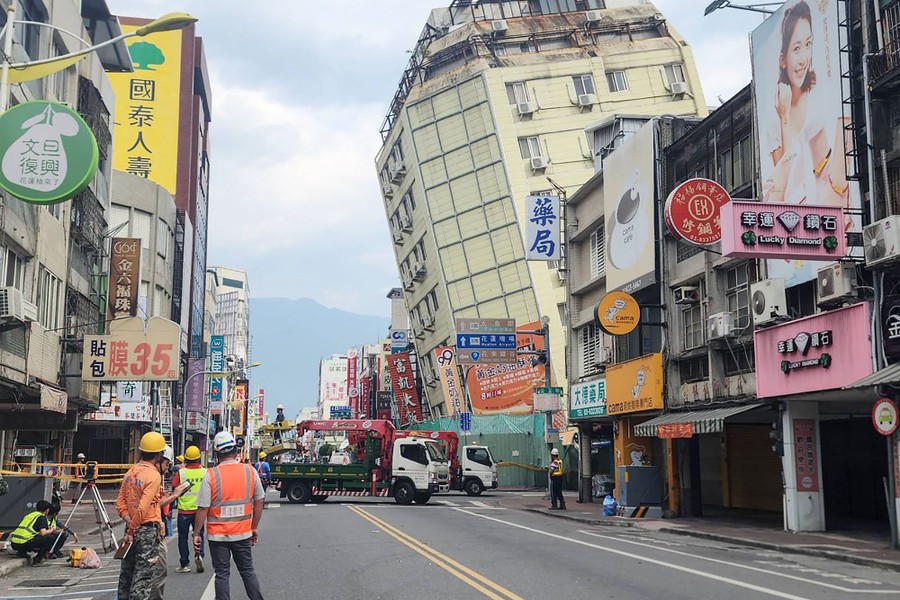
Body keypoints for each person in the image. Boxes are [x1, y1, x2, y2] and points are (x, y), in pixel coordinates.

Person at [116, 432, 190, 600]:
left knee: (126, 575)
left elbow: (120, 503)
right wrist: (133, 530)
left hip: (132, 527)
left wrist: (129, 524)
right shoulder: (153, 475)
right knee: (143, 576)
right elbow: (143, 508)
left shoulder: (131, 472)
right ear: (159, 455)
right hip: (147, 530)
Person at [194, 431, 265, 600]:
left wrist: (197, 533)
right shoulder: (250, 471)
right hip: (242, 533)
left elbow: (203, 508)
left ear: (217, 453)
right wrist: (253, 527)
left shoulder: (210, 474)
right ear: (236, 450)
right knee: (247, 571)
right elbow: (260, 501)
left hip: (218, 537)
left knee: (222, 574)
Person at [173, 445, 206, 574]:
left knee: (183, 537)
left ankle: (184, 563)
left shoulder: (181, 473)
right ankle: (199, 555)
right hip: (200, 511)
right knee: (199, 534)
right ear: (199, 459)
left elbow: (175, 489)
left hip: (184, 511)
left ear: (186, 459)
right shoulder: (205, 472)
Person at [9, 500, 57, 566]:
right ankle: (38, 560)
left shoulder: (30, 515)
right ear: (47, 510)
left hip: (14, 543)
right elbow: (43, 533)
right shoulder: (42, 517)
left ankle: (21, 552)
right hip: (24, 543)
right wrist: (52, 530)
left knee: (30, 537)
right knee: (49, 537)